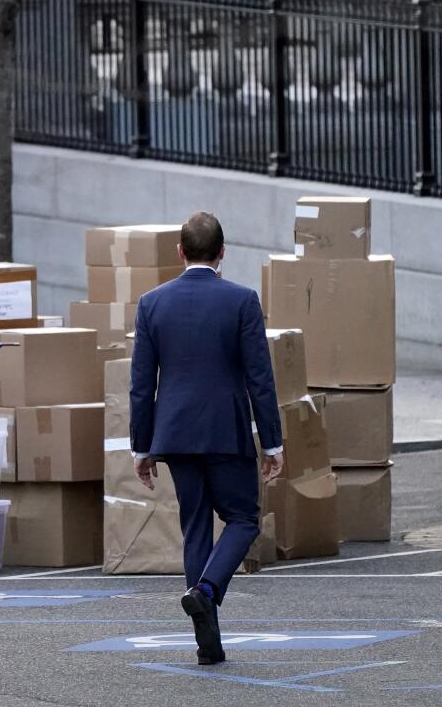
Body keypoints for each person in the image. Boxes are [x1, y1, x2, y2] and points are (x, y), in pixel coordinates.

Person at [129, 211, 284, 666]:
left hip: (174, 433)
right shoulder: (242, 301)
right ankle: (207, 589)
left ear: (179, 252)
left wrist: (142, 446)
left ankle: (208, 643)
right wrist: (271, 442)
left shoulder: (152, 303)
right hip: (225, 430)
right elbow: (261, 377)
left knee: (194, 524)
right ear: (222, 253)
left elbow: (141, 384)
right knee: (243, 519)